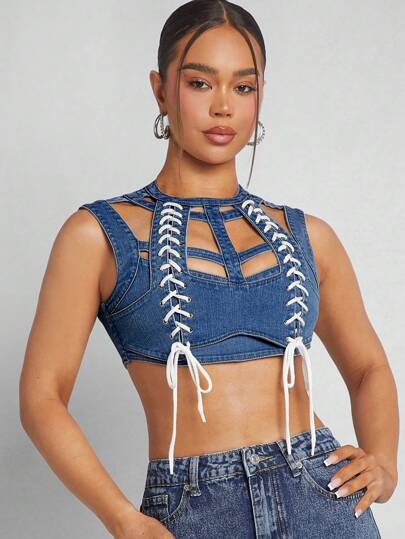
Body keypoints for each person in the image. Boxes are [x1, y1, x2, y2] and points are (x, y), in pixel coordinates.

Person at [19, 1, 398, 538]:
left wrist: (384, 463)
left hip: (323, 498)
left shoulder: (309, 236)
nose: (223, 107)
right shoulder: (98, 236)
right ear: (160, 90)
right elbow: (41, 397)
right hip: (195, 511)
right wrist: (123, 520)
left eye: (243, 87)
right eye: (200, 83)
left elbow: (368, 368)